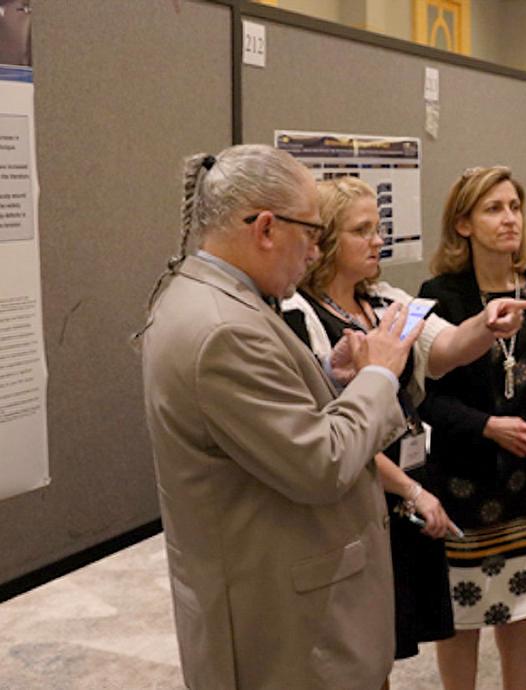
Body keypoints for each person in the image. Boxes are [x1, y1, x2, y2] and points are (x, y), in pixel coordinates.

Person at [138, 145, 445, 689]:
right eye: (312, 233)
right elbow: (319, 464)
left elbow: (261, 420)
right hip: (286, 633)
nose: (314, 253)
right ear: (264, 228)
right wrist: (380, 376)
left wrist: (330, 374)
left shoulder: (220, 299)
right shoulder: (224, 328)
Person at [279, 175, 526, 668]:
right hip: (358, 485)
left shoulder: (384, 300)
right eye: (363, 230)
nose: (379, 240)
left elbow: (446, 348)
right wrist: (410, 491)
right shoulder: (300, 314)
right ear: (328, 240)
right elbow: (326, 425)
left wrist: (487, 323)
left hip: (403, 479)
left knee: (387, 638)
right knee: (360, 644)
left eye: (378, 228)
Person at [418, 166, 526, 690]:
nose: (509, 219)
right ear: (463, 224)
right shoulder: (441, 294)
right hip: (466, 476)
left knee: (522, 597)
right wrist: (489, 426)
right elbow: (427, 398)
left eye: (514, 207)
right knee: (462, 612)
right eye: (493, 209)